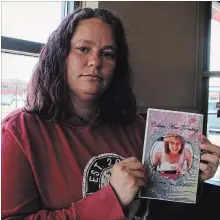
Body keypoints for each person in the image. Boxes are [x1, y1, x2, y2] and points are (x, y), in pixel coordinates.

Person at [1, 8, 220, 220]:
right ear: (61, 55)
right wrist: (111, 199)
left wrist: (188, 180)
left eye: (107, 54)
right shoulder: (19, 133)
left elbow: (159, 209)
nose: (95, 61)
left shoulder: (137, 126)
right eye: (83, 49)